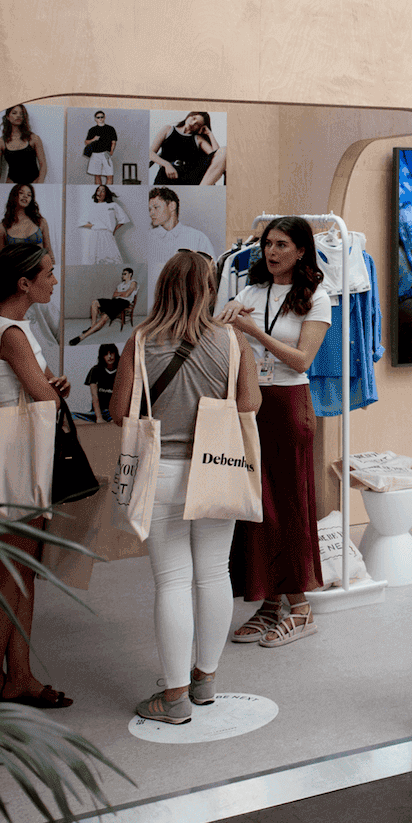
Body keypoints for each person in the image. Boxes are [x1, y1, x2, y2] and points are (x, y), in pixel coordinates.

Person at [110, 251, 261, 724]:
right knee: (214, 573)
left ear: (162, 288)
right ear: (210, 290)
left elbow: (119, 412)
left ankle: (173, 697)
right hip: (217, 466)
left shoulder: (140, 339)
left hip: (161, 472)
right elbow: (249, 404)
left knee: (172, 580)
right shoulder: (232, 340)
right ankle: (205, 680)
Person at [0, 244, 72, 709]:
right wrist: (53, 390)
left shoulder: (13, 328)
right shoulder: (9, 333)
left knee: (20, 572)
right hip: (19, 462)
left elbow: (46, 385)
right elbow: (46, 397)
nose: (54, 281)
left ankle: (19, 676)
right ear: (24, 283)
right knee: (10, 575)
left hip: (20, 457)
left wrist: (54, 386)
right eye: (48, 274)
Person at [218, 217, 331, 646]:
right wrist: (230, 324)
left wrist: (253, 331)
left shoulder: (317, 297)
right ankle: (269, 601)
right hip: (251, 402)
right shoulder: (250, 292)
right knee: (258, 507)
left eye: (282, 244)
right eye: (268, 243)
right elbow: (222, 334)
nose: (271, 251)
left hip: (289, 404)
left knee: (289, 506)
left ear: (301, 251)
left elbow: (302, 360)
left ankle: (300, 608)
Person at [148, 187, 215, 295]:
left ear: (172, 206)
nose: (151, 213)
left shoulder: (198, 238)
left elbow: (211, 275)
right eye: (150, 209)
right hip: (154, 301)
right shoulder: (147, 239)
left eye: (156, 207)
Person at [150, 111, 226, 186]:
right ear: (189, 116)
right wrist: (166, 164)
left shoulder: (198, 139)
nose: (193, 123)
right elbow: (150, 153)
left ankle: (201, 189)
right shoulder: (168, 129)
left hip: (188, 177)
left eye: (197, 124)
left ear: (200, 128)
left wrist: (209, 133)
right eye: (194, 118)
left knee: (225, 150)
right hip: (166, 173)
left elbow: (219, 156)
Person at [68, 267, 138, 344]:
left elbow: (127, 294)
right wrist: (122, 293)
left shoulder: (133, 282)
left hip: (123, 302)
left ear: (130, 274)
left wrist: (120, 293)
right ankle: (93, 326)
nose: (123, 275)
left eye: (125, 274)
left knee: (105, 317)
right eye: (122, 274)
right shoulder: (120, 285)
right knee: (95, 302)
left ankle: (82, 337)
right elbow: (114, 295)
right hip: (114, 301)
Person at [0, 184, 53, 260]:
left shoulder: (41, 222)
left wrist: (52, 265)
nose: (25, 196)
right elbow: (1, 260)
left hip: (39, 266)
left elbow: (49, 251)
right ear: (14, 196)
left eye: (29, 195)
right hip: (16, 267)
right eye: (21, 193)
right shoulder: (1, 228)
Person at [0, 104, 47, 184]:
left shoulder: (34, 138)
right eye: (14, 113)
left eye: (21, 114)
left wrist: (39, 185)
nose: (18, 116)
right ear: (7, 117)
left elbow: (43, 166)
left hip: (34, 182)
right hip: (12, 183)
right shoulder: (0, 143)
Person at [77, 183, 127, 263]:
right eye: (98, 190)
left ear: (106, 194)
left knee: (111, 260)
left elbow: (123, 219)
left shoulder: (113, 205)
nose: (99, 193)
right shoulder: (91, 206)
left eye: (102, 191)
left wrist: (114, 230)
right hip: (93, 236)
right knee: (92, 259)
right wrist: (94, 226)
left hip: (107, 235)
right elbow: (81, 222)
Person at [83, 343, 120, 422]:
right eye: (106, 354)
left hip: (116, 412)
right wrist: (99, 418)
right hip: (97, 412)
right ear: (102, 356)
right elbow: (94, 397)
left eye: (111, 353)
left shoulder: (122, 370)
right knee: (72, 417)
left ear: (115, 353)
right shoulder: (95, 370)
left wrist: (118, 417)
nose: (109, 356)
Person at [83, 110, 117, 184]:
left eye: (102, 117)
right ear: (95, 119)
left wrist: (111, 150)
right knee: (97, 175)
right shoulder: (92, 130)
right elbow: (86, 142)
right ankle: (99, 190)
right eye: (98, 117)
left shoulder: (110, 129)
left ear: (104, 117)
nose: (100, 119)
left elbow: (113, 141)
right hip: (95, 154)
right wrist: (94, 139)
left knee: (109, 175)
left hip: (106, 153)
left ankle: (108, 190)